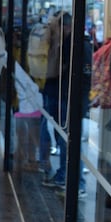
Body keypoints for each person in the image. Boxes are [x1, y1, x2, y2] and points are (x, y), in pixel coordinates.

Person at [38, 11, 90, 196]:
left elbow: (83, 79)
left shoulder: (79, 45)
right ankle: (63, 176)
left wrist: (81, 105)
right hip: (59, 97)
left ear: (66, 27)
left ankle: (77, 184)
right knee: (63, 140)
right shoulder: (62, 43)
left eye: (56, 26)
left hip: (68, 100)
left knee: (69, 141)